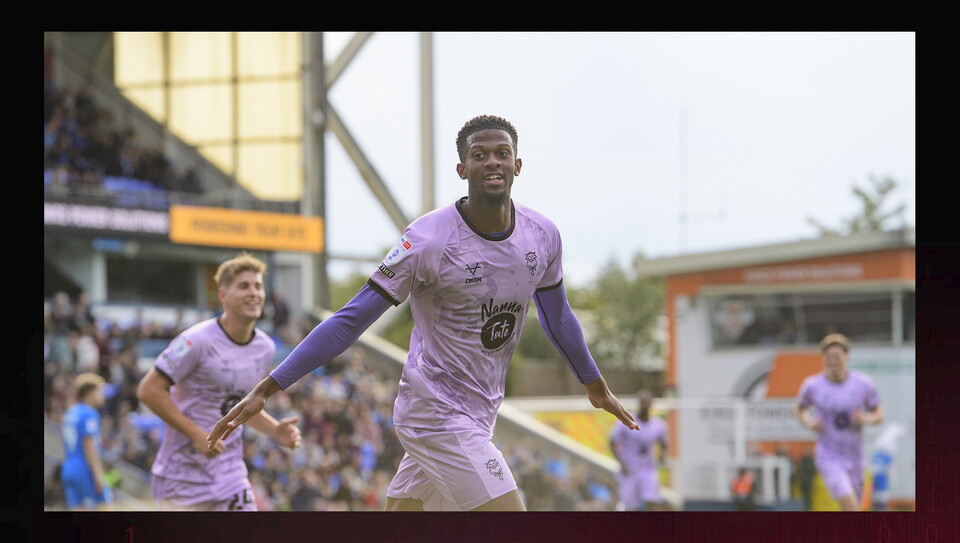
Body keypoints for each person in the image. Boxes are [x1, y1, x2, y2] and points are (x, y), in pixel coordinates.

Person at [207, 114, 639, 511]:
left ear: (518, 165)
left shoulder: (542, 234)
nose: (492, 162)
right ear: (462, 169)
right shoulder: (428, 240)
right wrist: (269, 386)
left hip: (479, 411)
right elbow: (351, 319)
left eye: (502, 153)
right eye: (479, 155)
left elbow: (558, 316)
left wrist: (594, 384)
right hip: (434, 411)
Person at [136, 252, 302, 511]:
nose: (253, 293)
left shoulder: (265, 347)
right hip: (181, 477)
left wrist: (274, 429)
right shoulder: (196, 340)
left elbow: (239, 405)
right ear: (223, 295)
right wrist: (196, 434)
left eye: (258, 286)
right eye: (244, 286)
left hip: (230, 476)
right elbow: (148, 390)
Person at [793, 333, 883, 511]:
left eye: (837, 355)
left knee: (853, 506)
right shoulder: (813, 385)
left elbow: (879, 414)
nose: (833, 360)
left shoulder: (862, 383)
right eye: (828, 356)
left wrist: (865, 418)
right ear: (823, 358)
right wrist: (809, 422)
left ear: (846, 357)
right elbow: (798, 409)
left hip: (855, 457)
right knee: (850, 505)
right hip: (829, 456)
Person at [609, 389, 668, 511]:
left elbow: (663, 443)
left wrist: (661, 457)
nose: (644, 406)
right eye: (642, 402)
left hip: (647, 470)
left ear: (651, 404)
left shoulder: (658, 425)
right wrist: (622, 463)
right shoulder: (626, 422)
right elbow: (612, 442)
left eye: (647, 403)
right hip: (629, 471)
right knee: (630, 506)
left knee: (652, 501)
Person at [61, 372, 112, 510]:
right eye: (99, 391)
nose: (102, 395)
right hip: (84, 469)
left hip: (68, 468)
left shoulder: (70, 413)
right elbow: (89, 448)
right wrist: (98, 475)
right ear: (90, 393)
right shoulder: (89, 414)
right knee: (104, 508)